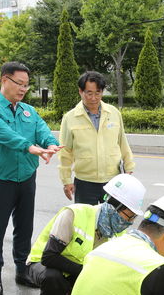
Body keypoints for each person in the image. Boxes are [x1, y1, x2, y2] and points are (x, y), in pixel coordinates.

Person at [25, 174, 146, 295]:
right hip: (42, 265)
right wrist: (87, 272)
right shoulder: (74, 214)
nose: (129, 222)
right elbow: (49, 257)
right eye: (128, 216)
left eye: (133, 217)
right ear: (115, 206)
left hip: (74, 271)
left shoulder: (117, 232)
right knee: (54, 279)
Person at [0, 61, 61, 295]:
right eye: (19, 83)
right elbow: (4, 135)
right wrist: (31, 148)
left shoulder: (28, 111)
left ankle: (21, 270)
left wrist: (50, 144)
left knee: (24, 227)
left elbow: (42, 129)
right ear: (5, 80)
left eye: (26, 85)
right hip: (0, 178)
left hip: (26, 176)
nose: (23, 89)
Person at [58, 71, 135, 205]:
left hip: (113, 181)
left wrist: (129, 167)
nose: (93, 98)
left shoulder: (114, 113)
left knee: (112, 223)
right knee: (86, 223)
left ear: (102, 92)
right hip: (85, 182)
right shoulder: (70, 118)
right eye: (89, 93)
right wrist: (66, 180)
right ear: (80, 92)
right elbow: (65, 152)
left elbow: (122, 142)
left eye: (97, 93)